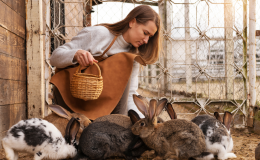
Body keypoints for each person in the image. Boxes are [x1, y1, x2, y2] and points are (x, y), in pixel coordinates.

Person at [49, 5, 162, 119]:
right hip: (74, 97)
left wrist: (143, 121)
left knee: (126, 60)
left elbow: (130, 94)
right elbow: (54, 57)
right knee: (123, 60)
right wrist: (76, 54)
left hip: (104, 106)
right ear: (132, 22)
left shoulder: (133, 57)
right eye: (145, 33)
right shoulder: (99, 34)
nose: (146, 40)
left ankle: (117, 125)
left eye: (150, 37)